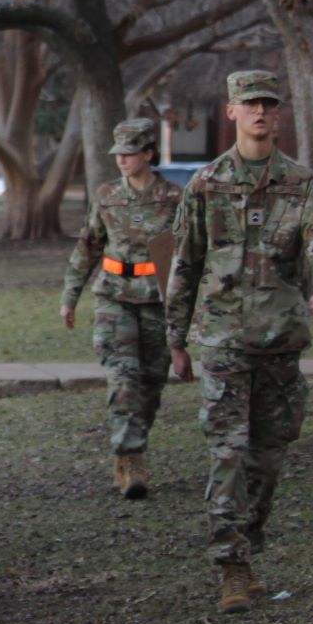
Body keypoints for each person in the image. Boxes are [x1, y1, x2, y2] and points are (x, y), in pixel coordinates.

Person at [167, 70, 313, 615]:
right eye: (250, 104)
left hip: (280, 341)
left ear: (278, 112)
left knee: (268, 456)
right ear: (231, 111)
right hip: (223, 341)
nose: (260, 112)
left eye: (269, 103)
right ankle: (232, 567)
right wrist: (175, 339)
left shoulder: (301, 183)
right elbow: (184, 263)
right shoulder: (206, 185)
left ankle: (250, 548)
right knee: (229, 452)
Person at [60, 118, 182, 498]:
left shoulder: (175, 199)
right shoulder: (107, 195)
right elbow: (89, 244)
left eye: (130, 153)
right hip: (114, 298)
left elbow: (189, 255)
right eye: (118, 154)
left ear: (148, 153)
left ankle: (133, 448)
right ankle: (130, 460)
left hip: (157, 303)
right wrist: (70, 295)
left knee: (151, 384)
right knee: (123, 380)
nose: (122, 160)